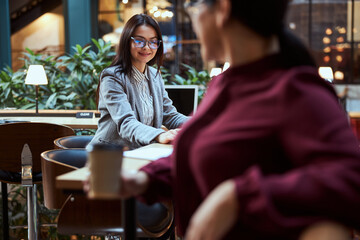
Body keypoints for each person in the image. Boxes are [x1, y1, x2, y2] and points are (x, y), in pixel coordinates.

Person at [96, 1, 360, 239]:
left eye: (194, 7)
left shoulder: (297, 91)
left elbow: (351, 179)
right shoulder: (223, 86)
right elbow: (209, 158)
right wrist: (148, 179)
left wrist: (238, 196)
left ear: (222, 9)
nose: (194, 19)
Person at [89, 14, 188, 150]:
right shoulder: (112, 77)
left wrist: (198, 123)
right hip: (109, 155)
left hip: (142, 151)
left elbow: (169, 115)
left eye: (153, 41)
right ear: (127, 42)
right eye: (139, 41)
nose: (147, 47)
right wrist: (160, 135)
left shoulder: (154, 75)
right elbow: (126, 123)